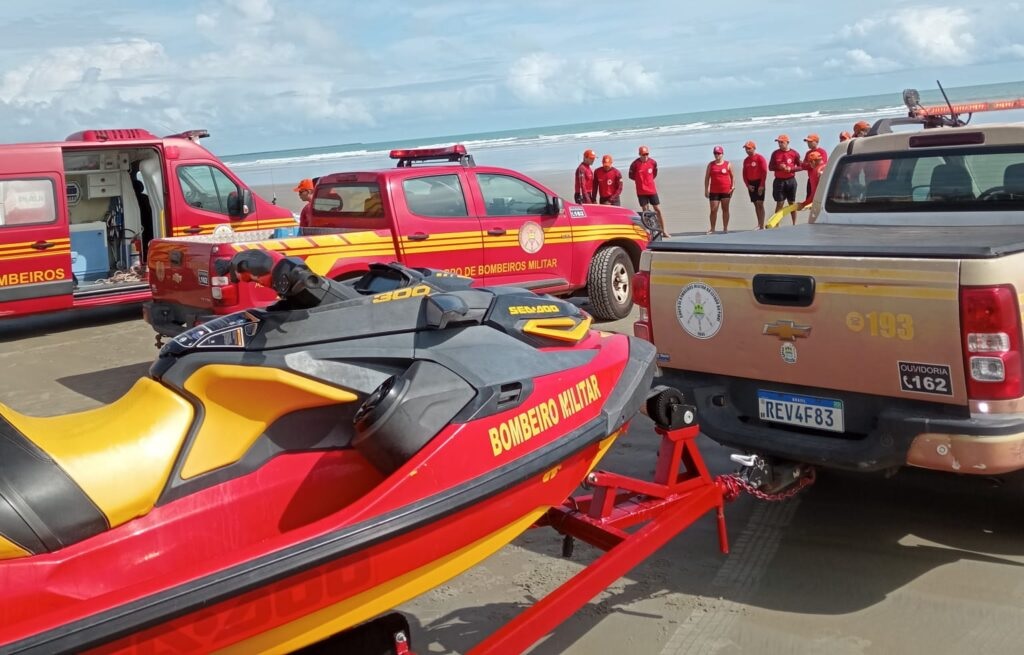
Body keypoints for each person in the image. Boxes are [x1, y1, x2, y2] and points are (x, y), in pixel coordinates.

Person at [629, 145, 667, 236]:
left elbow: (654, 174)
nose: (645, 156)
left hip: (652, 190)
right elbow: (631, 176)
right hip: (641, 191)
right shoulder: (634, 164)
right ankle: (650, 232)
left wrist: (648, 181)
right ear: (639, 154)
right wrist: (640, 181)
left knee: (657, 209)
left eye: (647, 154)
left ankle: (663, 231)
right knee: (645, 211)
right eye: (643, 154)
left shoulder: (653, 162)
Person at [768, 135, 801, 225]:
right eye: (778, 142)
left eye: (782, 142)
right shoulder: (775, 153)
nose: (780, 144)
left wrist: (791, 169)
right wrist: (779, 167)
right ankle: (776, 224)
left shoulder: (794, 153)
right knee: (780, 203)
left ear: (787, 142)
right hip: (779, 181)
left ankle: (794, 224)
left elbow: (801, 166)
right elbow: (770, 167)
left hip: (791, 180)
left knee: (791, 202)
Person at [704, 146, 734, 233]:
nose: (717, 155)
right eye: (715, 153)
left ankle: (725, 228)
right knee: (713, 210)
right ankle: (712, 229)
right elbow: (707, 178)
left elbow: (732, 177)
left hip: (726, 190)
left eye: (719, 153)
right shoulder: (711, 164)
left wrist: (733, 186)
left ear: (722, 154)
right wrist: (706, 190)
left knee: (725, 209)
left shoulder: (728, 164)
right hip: (714, 191)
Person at [741, 141, 768, 229]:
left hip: (759, 182)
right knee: (756, 204)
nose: (747, 150)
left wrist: (762, 185)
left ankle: (762, 225)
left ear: (754, 148)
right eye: (746, 149)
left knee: (760, 204)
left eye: (749, 148)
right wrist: (747, 185)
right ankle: (759, 224)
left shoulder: (760, 158)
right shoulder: (746, 160)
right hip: (751, 184)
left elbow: (764, 172)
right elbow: (744, 174)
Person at [802, 134, 829, 199]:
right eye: (808, 142)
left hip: (819, 179)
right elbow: (803, 166)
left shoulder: (822, 152)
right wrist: (810, 165)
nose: (808, 143)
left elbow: (822, 165)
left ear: (816, 142)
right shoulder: (808, 153)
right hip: (811, 179)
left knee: (820, 198)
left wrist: (809, 164)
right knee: (809, 198)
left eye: (810, 142)